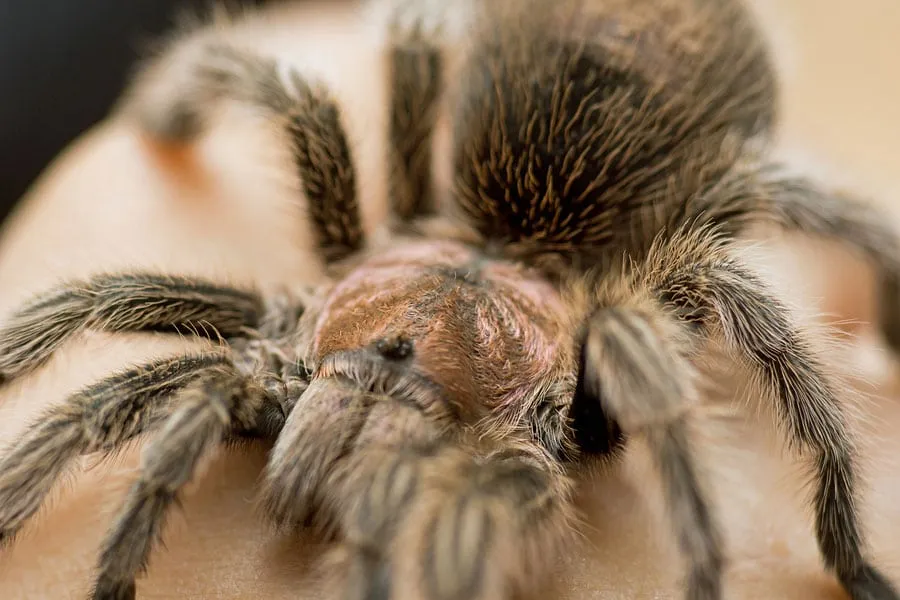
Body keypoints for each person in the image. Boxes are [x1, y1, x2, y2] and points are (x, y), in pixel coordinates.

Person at [0, 1, 898, 598]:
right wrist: (171, 114)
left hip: (655, 146)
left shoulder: (628, 314)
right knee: (285, 115)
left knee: (723, 273)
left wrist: (712, 568)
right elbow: (292, 80)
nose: (367, 397)